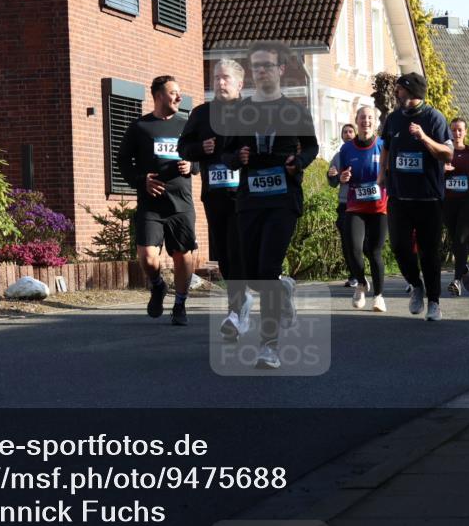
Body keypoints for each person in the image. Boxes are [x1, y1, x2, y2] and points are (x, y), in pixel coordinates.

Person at [221, 41, 318, 368]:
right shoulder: (240, 111)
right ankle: (283, 290)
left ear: (280, 70)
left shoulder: (296, 111)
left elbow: (312, 147)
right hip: (249, 201)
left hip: (283, 200)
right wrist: (237, 157)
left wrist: (298, 162)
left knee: (266, 269)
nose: (262, 70)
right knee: (251, 274)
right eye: (257, 66)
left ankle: (269, 346)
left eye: (268, 65)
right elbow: (226, 152)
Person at [177, 59, 252, 340]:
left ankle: (236, 310)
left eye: (226, 79)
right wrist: (200, 147)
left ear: (239, 84)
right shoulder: (200, 114)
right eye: (216, 78)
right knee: (224, 256)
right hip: (215, 193)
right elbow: (183, 148)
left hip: (246, 194)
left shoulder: (251, 112)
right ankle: (246, 300)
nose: (220, 83)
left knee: (237, 249)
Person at [117, 75, 198, 326]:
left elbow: (199, 158)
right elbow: (122, 161)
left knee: (183, 255)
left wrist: (191, 165)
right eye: (174, 92)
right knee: (148, 258)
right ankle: (158, 285)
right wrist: (141, 181)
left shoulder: (187, 126)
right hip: (152, 204)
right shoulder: (140, 127)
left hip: (181, 203)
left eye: (179, 92)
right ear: (159, 95)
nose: (179, 97)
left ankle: (180, 304)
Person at [378, 72, 453, 321]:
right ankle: (415, 284)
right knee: (399, 246)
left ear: (412, 92)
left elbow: (447, 154)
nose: (396, 93)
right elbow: (386, 146)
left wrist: (423, 138)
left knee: (429, 252)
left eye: (399, 89)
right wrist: (381, 175)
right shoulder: (394, 118)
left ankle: (434, 301)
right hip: (399, 195)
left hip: (429, 198)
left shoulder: (434, 118)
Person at [337, 106, 388, 312]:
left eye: (370, 118)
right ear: (356, 121)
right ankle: (360, 283)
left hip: (379, 207)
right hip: (355, 206)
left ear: (375, 122)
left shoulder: (383, 146)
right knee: (354, 249)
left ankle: (378, 296)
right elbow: (341, 175)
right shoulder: (346, 149)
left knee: (374, 251)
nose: (366, 121)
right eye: (362, 118)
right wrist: (342, 177)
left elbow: (391, 174)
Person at [442, 118, 469, 296]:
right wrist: (442, 171)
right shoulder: (443, 151)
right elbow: (434, 175)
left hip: (467, 201)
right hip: (448, 202)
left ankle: (456, 280)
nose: (456, 134)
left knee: (461, 239)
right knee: (454, 240)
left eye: (460, 130)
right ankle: (463, 269)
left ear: (465, 133)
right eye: (454, 130)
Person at [327, 124, 357, 288]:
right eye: (344, 132)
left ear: (355, 134)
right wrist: (334, 176)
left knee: (364, 243)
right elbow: (332, 181)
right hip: (345, 203)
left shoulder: (363, 152)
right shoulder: (337, 157)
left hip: (363, 202)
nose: (347, 134)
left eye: (350, 131)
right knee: (347, 242)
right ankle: (353, 275)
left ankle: (364, 271)